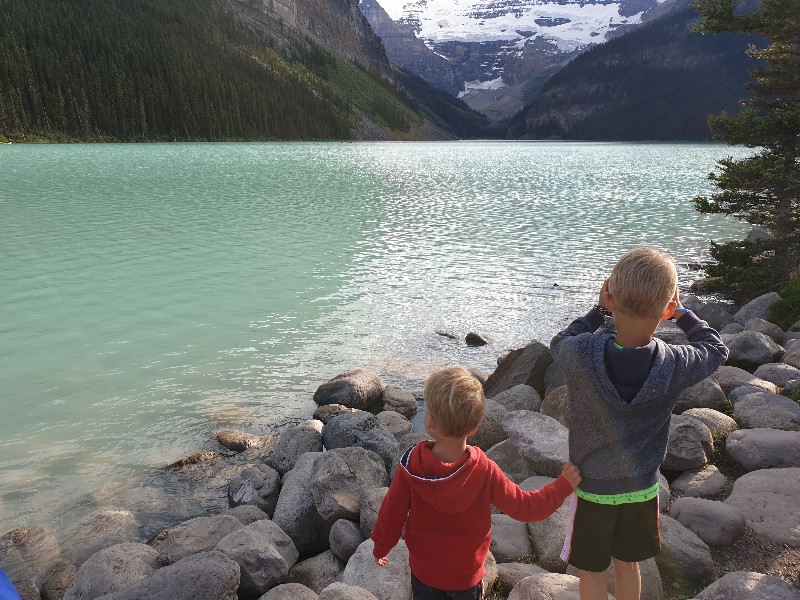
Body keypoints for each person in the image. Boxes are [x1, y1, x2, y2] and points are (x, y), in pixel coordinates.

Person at [551, 247, 729, 600]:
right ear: (665, 310)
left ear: (613, 299)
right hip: (642, 487)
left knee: (591, 569)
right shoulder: (676, 362)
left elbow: (559, 341)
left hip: (593, 487)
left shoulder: (582, 353)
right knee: (628, 563)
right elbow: (716, 348)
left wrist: (599, 311)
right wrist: (682, 313)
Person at [371, 366, 581, 600]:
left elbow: (391, 513)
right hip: (465, 578)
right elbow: (525, 507)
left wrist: (381, 547)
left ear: (429, 421)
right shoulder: (483, 470)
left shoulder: (411, 467)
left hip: (424, 574)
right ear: (474, 427)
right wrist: (562, 486)